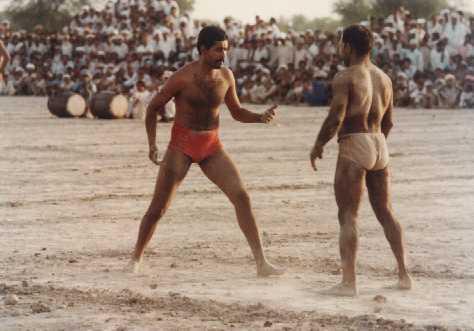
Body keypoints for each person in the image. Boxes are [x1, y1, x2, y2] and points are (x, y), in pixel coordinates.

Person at [130, 26, 284, 277]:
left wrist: (259, 117)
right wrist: (152, 144)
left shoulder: (226, 76)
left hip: (211, 145)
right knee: (158, 208)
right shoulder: (182, 77)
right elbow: (153, 108)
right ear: (202, 49)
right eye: (217, 50)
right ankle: (136, 258)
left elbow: (236, 111)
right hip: (181, 145)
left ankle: (261, 263)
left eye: (225, 49)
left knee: (242, 197)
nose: (223, 55)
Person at [309, 25, 412, 296]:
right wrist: (376, 145)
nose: (339, 49)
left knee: (348, 215)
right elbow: (389, 121)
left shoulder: (346, 76)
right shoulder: (384, 78)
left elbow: (336, 117)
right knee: (386, 212)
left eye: (341, 44)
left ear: (349, 47)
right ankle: (404, 275)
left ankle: (348, 283)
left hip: (355, 141)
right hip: (379, 143)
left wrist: (319, 144)